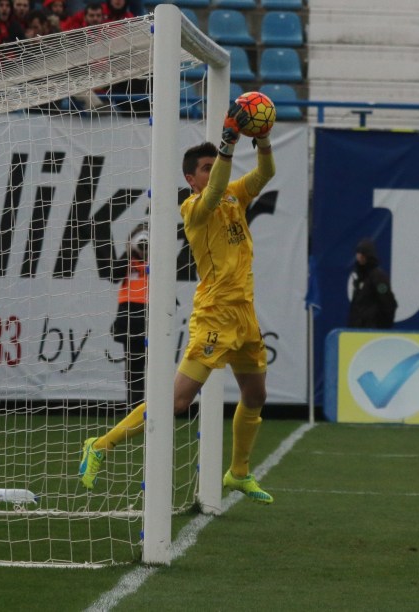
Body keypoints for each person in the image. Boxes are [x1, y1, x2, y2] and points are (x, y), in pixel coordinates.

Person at [80, 103, 277, 504]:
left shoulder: (235, 195)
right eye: (204, 168)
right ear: (191, 179)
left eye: (214, 165)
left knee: (256, 396)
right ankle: (100, 444)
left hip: (244, 314)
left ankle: (238, 473)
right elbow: (215, 190)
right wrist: (227, 146)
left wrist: (263, 140)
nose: (212, 171)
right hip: (215, 315)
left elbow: (265, 174)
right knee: (178, 400)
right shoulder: (193, 208)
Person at [106, 223, 150, 408]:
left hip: (150, 316)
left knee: (152, 366)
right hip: (129, 318)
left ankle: (152, 406)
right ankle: (134, 407)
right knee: (133, 368)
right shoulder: (128, 261)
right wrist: (130, 251)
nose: (143, 247)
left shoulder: (157, 261)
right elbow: (113, 275)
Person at [347, 238, 397, 329]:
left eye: (362, 254)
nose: (358, 256)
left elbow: (388, 302)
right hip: (357, 330)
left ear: (368, 256)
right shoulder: (360, 278)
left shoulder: (378, 277)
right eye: (358, 253)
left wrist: (381, 326)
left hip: (372, 329)